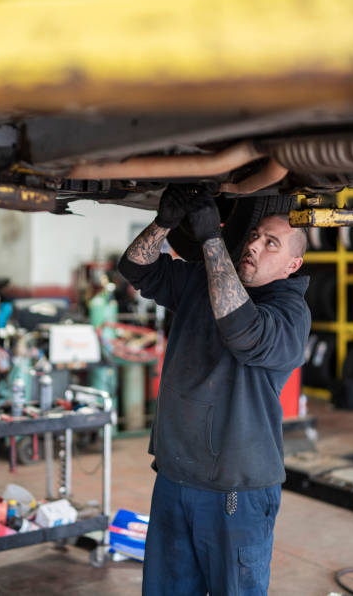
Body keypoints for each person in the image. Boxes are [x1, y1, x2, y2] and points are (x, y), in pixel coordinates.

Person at [118, 186, 311, 596]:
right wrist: (164, 222)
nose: (255, 245)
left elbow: (242, 330)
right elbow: (136, 269)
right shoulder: (201, 282)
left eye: (271, 243)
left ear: (292, 264)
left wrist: (210, 239)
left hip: (235, 493)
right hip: (174, 478)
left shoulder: (290, 312)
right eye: (255, 235)